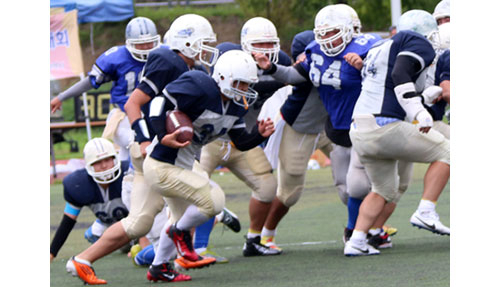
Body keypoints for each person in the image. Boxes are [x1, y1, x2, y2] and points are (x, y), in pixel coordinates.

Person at [65, 14, 219, 285]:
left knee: (141, 223)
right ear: (186, 42)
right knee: (207, 201)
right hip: (155, 150)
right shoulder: (168, 59)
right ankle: (165, 259)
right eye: (203, 43)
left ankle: (86, 260)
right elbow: (133, 104)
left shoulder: (190, 67)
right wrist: (148, 140)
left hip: (165, 149)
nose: (207, 49)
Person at [255, 4, 402, 251]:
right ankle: (366, 229)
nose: (326, 38)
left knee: (360, 185)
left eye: (332, 32)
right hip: (337, 128)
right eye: (322, 33)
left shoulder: (369, 47)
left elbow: (388, 75)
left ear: (348, 30)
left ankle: (358, 233)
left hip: (366, 124)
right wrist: (270, 68)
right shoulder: (314, 51)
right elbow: (294, 76)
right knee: (346, 191)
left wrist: (363, 66)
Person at [143, 49, 275, 281]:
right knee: (214, 200)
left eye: (247, 85)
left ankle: (159, 268)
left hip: (181, 167)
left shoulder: (234, 106)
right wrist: (161, 133)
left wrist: (260, 135)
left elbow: (241, 142)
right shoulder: (200, 85)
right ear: (223, 77)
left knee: (180, 216)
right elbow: (158, 101)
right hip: (161, 164)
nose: (244, 90)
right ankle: (179, 233)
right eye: (241, 84)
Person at [344, 9, 450, 256]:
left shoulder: (380, 48)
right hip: (385, 127)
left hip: (359, 129)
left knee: (383, 189)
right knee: (450, 151)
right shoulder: (416, 41)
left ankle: (357, 241)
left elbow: (390, 86)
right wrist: (419, 112)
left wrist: (425, 96)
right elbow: (399, 75)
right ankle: (426, 210)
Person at [195, 16, 292, 257]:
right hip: (212, 137)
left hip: (245, 136)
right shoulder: (227, 55)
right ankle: (191, 248)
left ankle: (253, 239)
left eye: (270, 44)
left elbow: (296, 84)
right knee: (194, 189)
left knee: (268, 187)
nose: (266, 51)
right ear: (245, 44)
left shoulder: (281, 63)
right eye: (259, 44)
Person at [259, 29, 333, 252]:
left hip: (332, 126)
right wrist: (271, 68)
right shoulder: (304, 68)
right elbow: (288, 75)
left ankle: (364, 228)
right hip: (301, 128)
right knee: (290, 192)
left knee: (355, 179)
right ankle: (264, 234)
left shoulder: (343, 58)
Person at [50, 17, 162, 162]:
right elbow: (90, 82)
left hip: (154, 113)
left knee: (130, 162)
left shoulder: (164, 54)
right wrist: (62, 97)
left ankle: (124, 178)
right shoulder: (116, 58)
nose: (146, 48)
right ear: (129, 43)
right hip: (124, 116)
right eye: (140, 44)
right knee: (137, 145)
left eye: (149, 43)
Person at [50, 138, 128, 262]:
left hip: (134, 225)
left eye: (107, 160)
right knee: (95, 235)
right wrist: (51, 252)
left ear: (115, 158)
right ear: (89, 165)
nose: (104, 166)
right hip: (108, 224)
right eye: (98, 162)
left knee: (142, 252)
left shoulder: (129, 174)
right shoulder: (78, 184)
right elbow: (68, 221)